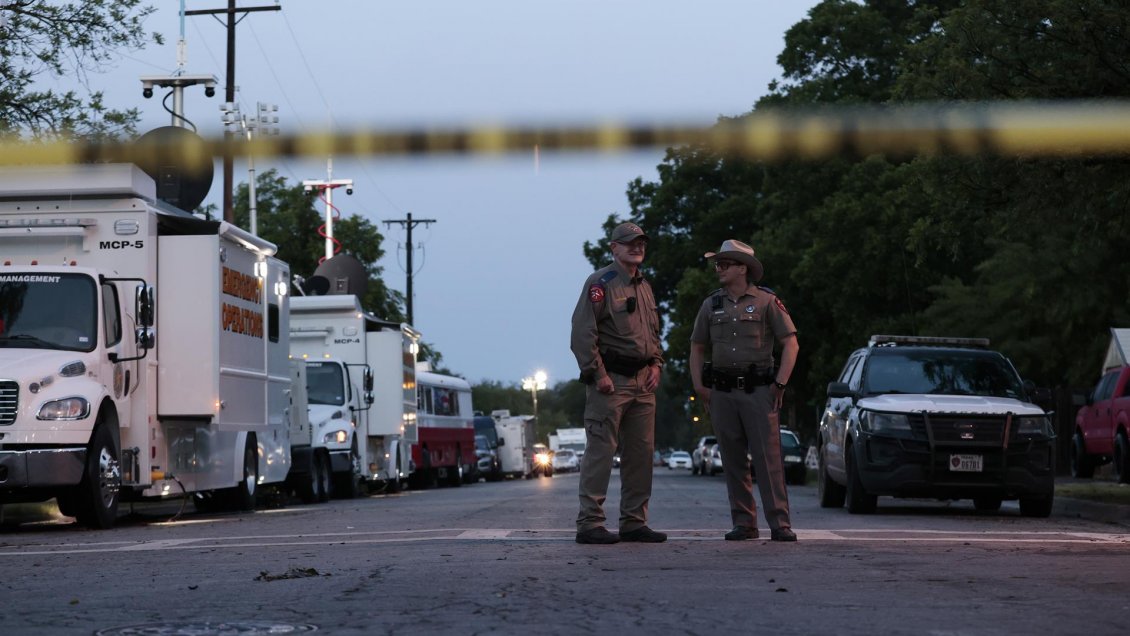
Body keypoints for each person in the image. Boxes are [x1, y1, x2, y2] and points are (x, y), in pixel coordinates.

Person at [689, 239, 799, 542]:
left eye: (725, 263)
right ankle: (744, 523)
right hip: (721, 391)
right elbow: (697, 346)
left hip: (758, 390)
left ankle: (780, 523)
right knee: (732, 458)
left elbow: (790, 342)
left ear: (743, 268)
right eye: (717, 263)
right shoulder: (711, 304)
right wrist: (699, 385)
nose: (719, 268)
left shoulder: (766, 302)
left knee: (768, 459)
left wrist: (780, 382)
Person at [570, 222, 666, 545]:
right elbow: (583, 334)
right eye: (629, 243)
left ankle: (634, 522)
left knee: (641, 454)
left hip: (643, 382)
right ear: (614, 247)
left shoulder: (645, 286)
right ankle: (590, 523)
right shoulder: (601, 283)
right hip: (611, 382)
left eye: (641, 242)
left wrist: (657, 364)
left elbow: (653, 334)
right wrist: (599, 375)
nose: (636, 248)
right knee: (601, 451)